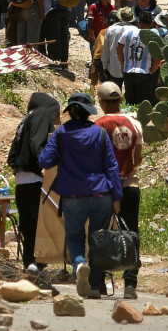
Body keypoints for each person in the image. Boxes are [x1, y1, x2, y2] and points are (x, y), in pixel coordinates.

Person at [38, 92, 122, 299]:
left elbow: (45, 161)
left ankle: (79, 264)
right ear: (89, 112)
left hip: (73, 196)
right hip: (101, 194)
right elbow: (111, 167)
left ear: (70, 111)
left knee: (75, 236)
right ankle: (95, 286)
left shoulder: (61, 134)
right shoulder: (100, 133)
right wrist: (117, 197)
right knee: (97, 239)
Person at [95, 81, 144, 300]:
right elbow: (138, 157)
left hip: (105, 188)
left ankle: (102, 281)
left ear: (102, 101)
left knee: (102, 234)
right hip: (130, 186)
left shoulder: (97, 126)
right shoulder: (135, 124)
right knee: (131, 233)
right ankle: (130, 283)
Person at [7, 93, 61, 274]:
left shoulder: (25, 120)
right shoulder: (42, 115)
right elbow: (37, 142)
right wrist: (43, 162)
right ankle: (38, 262)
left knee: (27, 226)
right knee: (40, 224)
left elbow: (11, 157)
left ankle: (30, 263)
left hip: (22, 181)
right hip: (36, 180)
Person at [118, 10, 162, 108]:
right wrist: (151, 71)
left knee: (129, 101)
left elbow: (119, 48)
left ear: (139, 22)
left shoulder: (128, 33)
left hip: (128, 71)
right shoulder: (152, 37)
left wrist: (123, 64)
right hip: (144, 73)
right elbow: (157, 58)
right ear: (151, 23)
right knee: (142, 103)